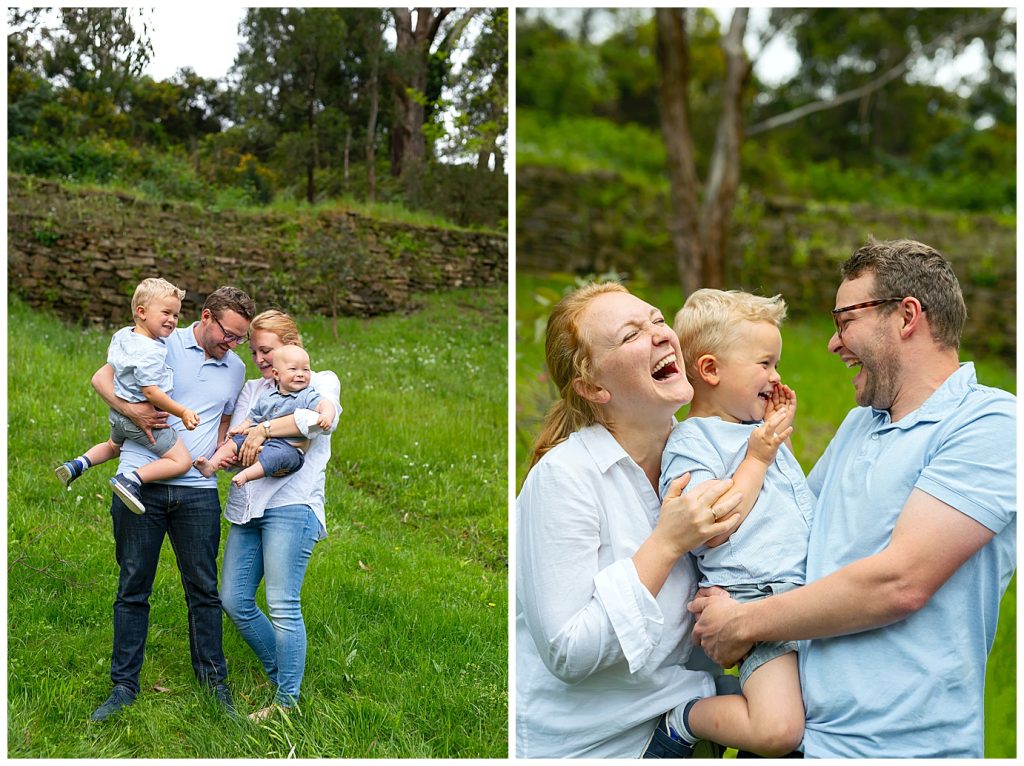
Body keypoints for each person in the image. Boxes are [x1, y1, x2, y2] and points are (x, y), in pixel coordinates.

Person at [690, 239, 1016, 758]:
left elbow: (900, 582)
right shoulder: (859, 423)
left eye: (845, 321)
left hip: (892, 752)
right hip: (794, 732)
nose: (831, 343)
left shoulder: (989, 422)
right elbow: (792, 533)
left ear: (906, 316)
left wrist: (744, 622)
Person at [516, 282, 747, 758]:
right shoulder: (565, 478)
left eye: (658, 319)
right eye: (631, 335)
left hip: (685, 716)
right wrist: (667, 543)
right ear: (593, 387)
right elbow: (568, 651)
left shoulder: (705, 457)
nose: (662, 335)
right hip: (598, 746)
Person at [88, 285, 257, 722]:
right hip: (139, 481)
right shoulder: (159, 342)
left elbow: (222, 424)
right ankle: (123, 686)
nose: (232, 343)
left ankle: (213, 683)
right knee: (133, 587)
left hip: (197, 493)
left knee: (203, 591)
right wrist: (134, 411)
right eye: (228, 333)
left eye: (239, 338)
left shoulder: (236, 369)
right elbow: (102, 379)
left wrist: (223, 454)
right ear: (204, 317)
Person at [658, 289, 805, 756]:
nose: (776, 376)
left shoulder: (755, 434)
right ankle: (688, 714)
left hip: (800, 594)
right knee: (777, 731)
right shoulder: (691, 442)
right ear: (710, 370)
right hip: (752, 596)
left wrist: (767, 441)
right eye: (764, 364)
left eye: (776, 365)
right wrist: (760, 456)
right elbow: (713, 525)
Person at [217, 309, 341, 721]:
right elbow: (240, 444)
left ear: (293, 345)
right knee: (233, 599)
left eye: (267, 350)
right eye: (254, 352)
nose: (261, 359)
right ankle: (282, 673)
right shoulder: (255, 389)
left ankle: (286, 701)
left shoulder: (319, 381)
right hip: (249, 504)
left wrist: (265, 430)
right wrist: (230, 450)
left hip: (293, 504)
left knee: (283, 604)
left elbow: (318, 423)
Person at [55, 277, 200, 514]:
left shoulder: (123, 334)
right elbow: (151, 392)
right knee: (182, 461)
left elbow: (111, 358)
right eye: (166, 312)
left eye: (176, 315)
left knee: (113, 446)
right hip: (146, 419)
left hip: (118, 414)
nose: (172, 320)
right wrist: (182, 412)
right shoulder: (151, 351)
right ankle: (131, 480)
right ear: (142, 312)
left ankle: (77, 464)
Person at [193, 344, 335, 488]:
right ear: (276, 374)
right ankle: (211, 465)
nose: (300, 374)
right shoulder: (267, 396)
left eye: (306, 370)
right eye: (293, 369)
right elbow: (252, 417)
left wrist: (326, 415)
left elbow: (325, 404)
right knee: (234, 442)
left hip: (288, 448)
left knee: (276, 456)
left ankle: (246, 475)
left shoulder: (306, 395)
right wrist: (241, 428)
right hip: (262, 441)